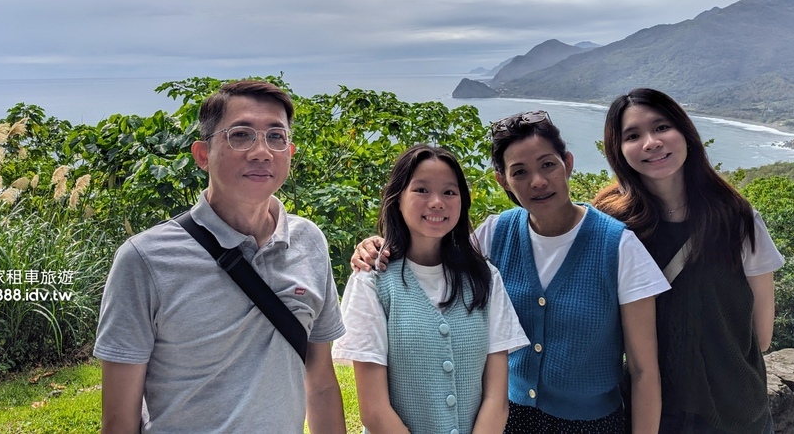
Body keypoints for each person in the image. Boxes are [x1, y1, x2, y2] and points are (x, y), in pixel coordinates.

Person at [353, 112, 668, 434]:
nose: (538, 181)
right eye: (520, 172)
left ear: (568, 163)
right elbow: (434, 251)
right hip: (509, 419)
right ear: (502, 180)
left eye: (548, 165)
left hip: (592, 424)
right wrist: (377, 246)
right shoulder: (496, 233)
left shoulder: (618, 246)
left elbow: (644, 371)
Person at [94, 80, 346, 434]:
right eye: (241, 135)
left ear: (289, 153)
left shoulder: (309, 243)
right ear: (202, 155)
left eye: (276, 137)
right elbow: (119, 419)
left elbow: (319, 383)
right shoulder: (144, 260)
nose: (262, 151)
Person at [595, 88, 785, 434]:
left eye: (662, 127)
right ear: (619, 151)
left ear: (685, 133)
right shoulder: (612, 227)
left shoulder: (737, 219)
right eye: (633, 135)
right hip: (649, 414)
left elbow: (761, 335)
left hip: (736, 416)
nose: (651, 142)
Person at [334, 144, 529, 434]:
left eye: (449, 192)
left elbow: (496, 399)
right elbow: (374, 411)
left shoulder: (485, 278)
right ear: (397, 199)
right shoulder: (371, 281)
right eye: (422, 190)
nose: (437, 202)